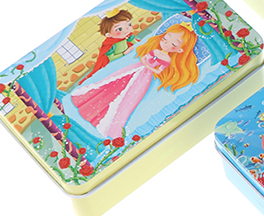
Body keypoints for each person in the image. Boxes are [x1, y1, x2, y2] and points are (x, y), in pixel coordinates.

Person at [71, 22, 199, 138]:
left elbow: (159, 70)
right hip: (135, 68)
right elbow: (144, 58)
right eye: (165, 38)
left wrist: (149, 67)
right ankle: (89, 104)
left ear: (180, 49)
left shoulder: (167, 59)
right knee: (113, 83)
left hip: (144, 77)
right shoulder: (155, 50)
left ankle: (109, 124)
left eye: (173, 44)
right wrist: (146, 63)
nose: (166, 43)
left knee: (129, 97)